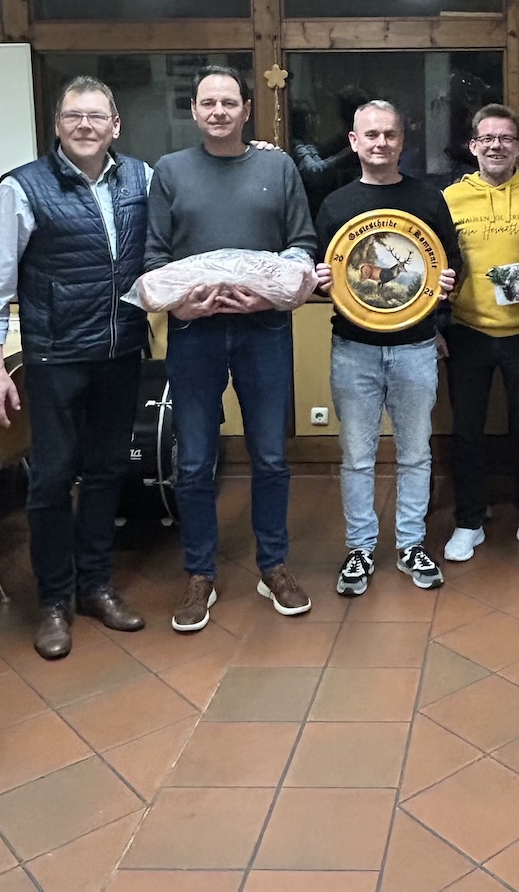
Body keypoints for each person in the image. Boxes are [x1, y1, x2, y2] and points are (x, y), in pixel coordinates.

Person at [0, 76, 148, 660]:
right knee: (51, 478)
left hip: (120, 353)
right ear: (57, 125)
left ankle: (95, 586)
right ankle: (53, 601)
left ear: (115, 125)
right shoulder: (22, 188)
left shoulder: (141, 179)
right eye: (74, 115)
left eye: (96, 116)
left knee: (106, 472)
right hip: (55, 357)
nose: (85, 126)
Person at [145, 64, 322, 632]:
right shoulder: (170, 171)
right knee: (195, 460)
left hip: (263, 331)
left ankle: (274, 566)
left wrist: (267, 298)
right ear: (194, 111)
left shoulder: (277, 167)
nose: (219, 111)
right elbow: (154, 257)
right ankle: (200, 573)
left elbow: (301, 246)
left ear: (247, 110)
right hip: (193, 334)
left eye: (229, 103)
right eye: (208, 103)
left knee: (270, 456)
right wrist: (180, 307)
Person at [313, 100, 459, 597]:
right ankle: (359, 548)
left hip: (416, 346)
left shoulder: (428, 199)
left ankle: (411, 544)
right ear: (354, 142)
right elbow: (322, 275)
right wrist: (319, 279)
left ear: (402, 141)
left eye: (389, 134)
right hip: (354, 347)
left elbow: (450, 265)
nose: (380, 142)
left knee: (416, 453)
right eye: (370, 134)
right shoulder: (335, 205)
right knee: (357, 456)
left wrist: (447, 284)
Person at [441, 104, 519, 563]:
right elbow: (437, 264)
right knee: (467, 431)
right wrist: (435, 324)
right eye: (487, 138)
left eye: (506, 138)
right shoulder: (450, 197)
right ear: (473, 146)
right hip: (467, 330)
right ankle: (469, 519)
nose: (496, 146)